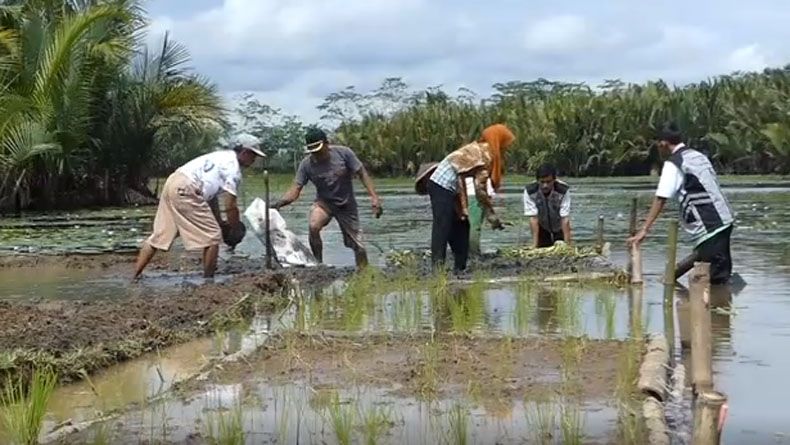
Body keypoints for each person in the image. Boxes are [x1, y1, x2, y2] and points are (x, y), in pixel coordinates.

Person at [133, 134, 265, 280]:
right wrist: (235, 228)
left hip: (174, 181)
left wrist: (219, 222)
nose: (254, 160)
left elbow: (210, 197)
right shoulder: (233, 170)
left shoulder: (220, 156)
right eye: (253, 155)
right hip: (187, 188)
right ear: (245, 152)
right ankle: (208, 281)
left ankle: (135, 276)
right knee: (213, 237)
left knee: (159, 235)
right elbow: (230, 206)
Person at [628, 122, 734, 285]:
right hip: (724, 220)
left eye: (658, 145)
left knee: (711, 279)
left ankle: (715, 300)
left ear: (663, 144)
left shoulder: (674, 163)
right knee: (718, 273)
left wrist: (644, 230)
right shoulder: (697, 156)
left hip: (709, 225)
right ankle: (721, 298)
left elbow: (661, 198)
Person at [272, 127, 381, 269]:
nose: (316, 154)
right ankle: (319, 264)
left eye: (318, 150)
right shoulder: (306, 165)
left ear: (327, 144)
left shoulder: (344, 153)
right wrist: (279, 203)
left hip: (346, 205)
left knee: (358, 245)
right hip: (324, 203)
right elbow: (295, 189)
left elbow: (362, 174)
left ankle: (364, 271)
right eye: (312, 151)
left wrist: (374, 197)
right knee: (313, 226)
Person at [420, 123, 514, 273]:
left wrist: (465, 206)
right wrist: (491, 215)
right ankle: (437, 270)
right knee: (442, 226)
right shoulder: (485, 154)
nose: (506, 149)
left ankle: (460, 268)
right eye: (506, 145)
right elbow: (480, 189)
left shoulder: (480, 148)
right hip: (440, 184)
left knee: (462, 225)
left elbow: (466, 177)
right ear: (499, 141)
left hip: (453, 188)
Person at [523, 164, 572, 248]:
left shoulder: (563, 190)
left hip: (558, 225)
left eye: (548, 182)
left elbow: (564, 218)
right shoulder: (530, 191)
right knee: (542, 248)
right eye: (542, 182)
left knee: (561, 248)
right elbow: (533, 218)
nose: (545, 185)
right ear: (537, 180)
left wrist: (568, 244)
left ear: (554, 180)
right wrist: (534, 245)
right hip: (542, 226)